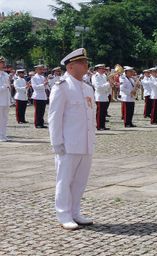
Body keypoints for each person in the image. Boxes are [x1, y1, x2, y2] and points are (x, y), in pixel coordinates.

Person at [48, 48, 96, 230]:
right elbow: (54, 117)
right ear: (70, 66)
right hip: (68, 143)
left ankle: (75, 211)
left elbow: (90, 117)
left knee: (80, 181)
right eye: (82, 62)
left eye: (86, 62)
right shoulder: (62, 87)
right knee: (65, 179)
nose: (86, 65)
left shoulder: (87, 87)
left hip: (85, 142)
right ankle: (64, 214)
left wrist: (92, 139)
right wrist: (56, 142)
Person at [92, 64, 111, 131]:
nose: (104, 70)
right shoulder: (95, 76)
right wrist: (108, 84)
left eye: (104, 69)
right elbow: (98, 87)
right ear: (97, 69)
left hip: (105, 96)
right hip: (99, 97)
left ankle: (103, 125)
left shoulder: (103, 76)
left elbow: (105, 87)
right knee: (99, 113)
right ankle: (99, 126)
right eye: (102, 68)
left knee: (103, 113)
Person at [0, 57, 10, 142]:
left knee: (5, 119)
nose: (3, 64)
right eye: (1, 62)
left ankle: (3, 134)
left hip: (6, 99)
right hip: (0, 100)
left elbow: (9, 88)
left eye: (3, 62)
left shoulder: (6, 74)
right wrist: (4, 87)